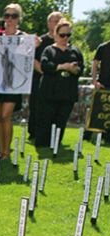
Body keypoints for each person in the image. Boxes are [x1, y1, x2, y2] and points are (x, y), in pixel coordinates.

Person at [36, 20, 83, 149]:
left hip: (68, 92)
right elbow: (45, 66)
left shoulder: (75, 51)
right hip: (50, 91)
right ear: (55, 34)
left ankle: (56, 144)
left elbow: (80, 68)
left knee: (61, 120)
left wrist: (74, 70)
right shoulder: (49, 50)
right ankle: (43, 144)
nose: (65, 38)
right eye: (62, 35)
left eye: (68, 35)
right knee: (46, 119)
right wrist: (62, 66)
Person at [0, 4, 25, 160]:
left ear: (19, 19)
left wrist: (33, 46)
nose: (10, 19)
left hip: (14, 83)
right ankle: (1, 149)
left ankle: (7, 150)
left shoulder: (24, 37)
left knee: (5, 115)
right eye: (7, 15)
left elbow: (26, 61)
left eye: (13, 16)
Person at [31, 12, 64, 141]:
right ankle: (34, 133)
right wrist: (45, 71)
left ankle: (53, 136)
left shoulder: (64, 40)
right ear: (48, 23)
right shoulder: (40, 40)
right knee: (37, 107)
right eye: (54, 21)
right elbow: (33, 58)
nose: (57, 24)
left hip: (57, 81)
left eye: (59, 21)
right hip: (40, 78)